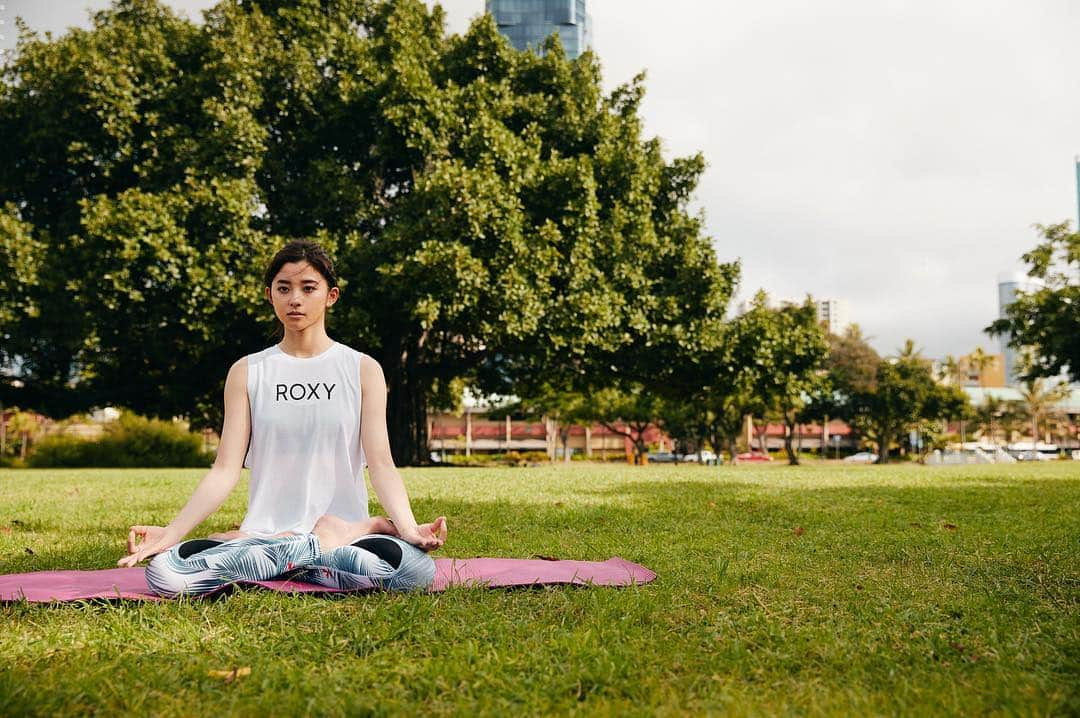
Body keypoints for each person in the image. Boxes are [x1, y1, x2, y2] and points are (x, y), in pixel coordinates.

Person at [117, 240, 447, 597]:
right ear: (269, 295)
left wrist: (409, 528)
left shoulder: (362, 369)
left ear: (331, 296)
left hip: (344, 536)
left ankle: (283, 550)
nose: (295, 299)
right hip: (279, 534)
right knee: (166, 575)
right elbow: (224, 470)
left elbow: (381, 464)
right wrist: (172, 532)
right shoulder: (248, 371)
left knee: (414, 573)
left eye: (309, 289)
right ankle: (310, 548)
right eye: (284, 288)